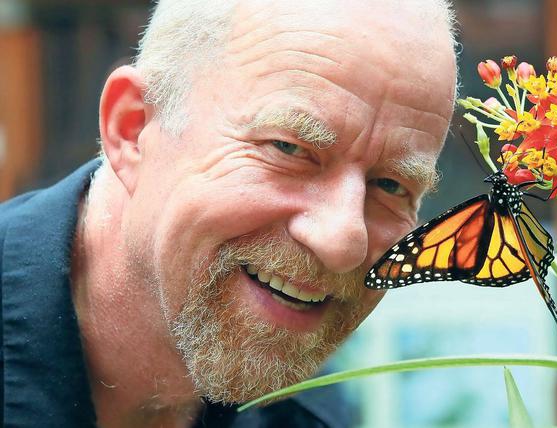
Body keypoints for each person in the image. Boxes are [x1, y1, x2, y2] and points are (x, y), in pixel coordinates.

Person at [0, 0, 458, 426]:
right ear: (133, 128)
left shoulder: (313, 414)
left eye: (392, 186)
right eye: (289, 148)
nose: (342, 241)